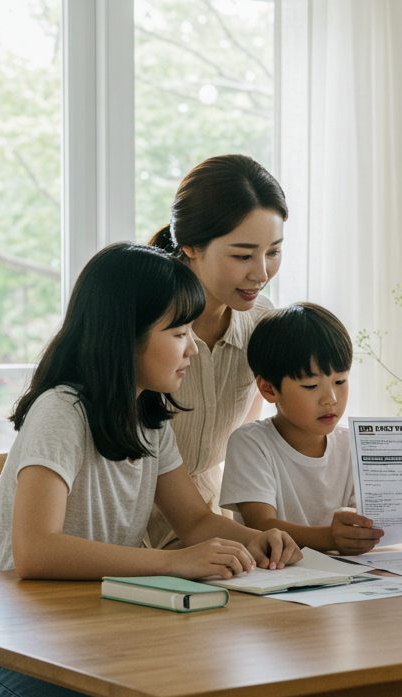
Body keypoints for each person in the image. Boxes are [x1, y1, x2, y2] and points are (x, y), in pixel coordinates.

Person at [0, 242, 302, 697]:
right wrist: (171, 562)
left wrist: (257, 540)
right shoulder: (62, 411)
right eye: (178, 333)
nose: (193, 349)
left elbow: (194, 520)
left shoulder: (149, 418)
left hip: (87, 651)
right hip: (1, 658)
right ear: (124, 336)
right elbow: (36, 551)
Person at [220, 303, 402, 697]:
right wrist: (330, 536)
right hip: (273, 619)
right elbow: (259, 525)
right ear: (268, 389)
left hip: (344, 613)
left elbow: (365, 523)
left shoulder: (352, 444)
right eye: (311, 386)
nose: (330, 398)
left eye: (341, 381)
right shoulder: (252, 443)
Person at [146, 154, 288, 547]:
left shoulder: (261, 324)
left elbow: (246, 437)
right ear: (190, 245)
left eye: (273, 251)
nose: (261, 273)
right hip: (119, 532)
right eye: (243, 255)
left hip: (206, 528)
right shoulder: (143, 324)